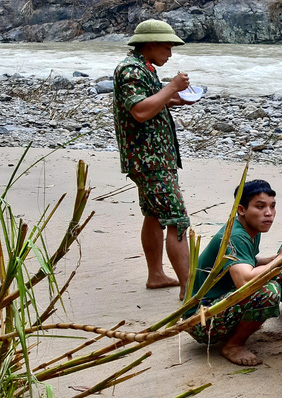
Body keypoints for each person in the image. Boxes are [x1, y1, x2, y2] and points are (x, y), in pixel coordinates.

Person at [113, 19, 196, 299]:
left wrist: (175, 99)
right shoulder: (131, 70)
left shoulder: (143, 67)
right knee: (177, 219)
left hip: (153, 157)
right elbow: (139, 110)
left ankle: (156, 275)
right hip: (149, 159)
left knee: (153, 214)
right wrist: (172, 87)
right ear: (150, 43)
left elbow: (151, 100)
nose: (170, 53)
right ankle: (189, 288)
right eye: (167, 46)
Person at [184, 180, 282, 366]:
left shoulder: (250, 227)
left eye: (272, 206)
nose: (269, 213)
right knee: (267, 289)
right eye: (260, 206)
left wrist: (277, 259)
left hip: (214, 307)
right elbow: (244, 279)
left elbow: (246, 262)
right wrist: (281, 258)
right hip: (200, 320)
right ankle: (233, 345)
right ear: (241, 209)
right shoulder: (236, 235)